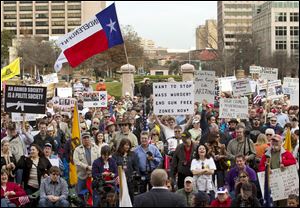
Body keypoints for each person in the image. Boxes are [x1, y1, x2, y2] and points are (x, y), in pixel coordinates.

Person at [258, 134, 297, 207]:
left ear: (281, 142)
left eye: (276, 141)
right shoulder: (266, 155)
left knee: (284, 203)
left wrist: (284, 163)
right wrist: (266, 169)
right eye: (273, 141)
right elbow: (260, 167)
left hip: (284, 184)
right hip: (272, 184)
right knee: (272, 203)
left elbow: (294, 162)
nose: (274, 143)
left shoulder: (286, 153)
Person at [112, 138, 139, 203]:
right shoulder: (115, 155)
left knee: (131, 196)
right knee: (120, 197)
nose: (127, 146)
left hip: (130, 180)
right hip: (119, 180)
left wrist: (135, 175)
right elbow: (113, 168)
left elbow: (136, 167)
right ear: (122, 145)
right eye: (126, 145)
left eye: (129, 145)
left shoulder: (133, 154)